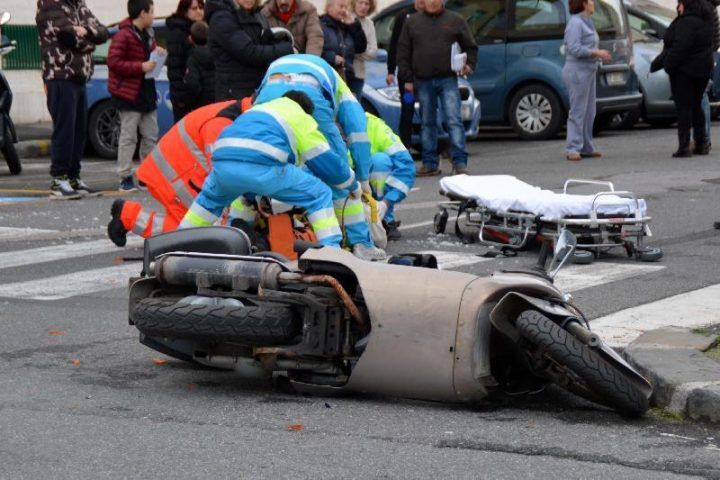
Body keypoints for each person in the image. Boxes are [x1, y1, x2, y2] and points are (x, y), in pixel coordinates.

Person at [179, 92, 354, 250]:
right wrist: (351, 184)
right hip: (264, 166)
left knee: (207, 203)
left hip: (223, 163)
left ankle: (176, 247)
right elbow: (324, 160)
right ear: (305, 110)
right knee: (319, 193)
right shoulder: (299, 115)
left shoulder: (258, 110)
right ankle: (331, 253)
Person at [254, 54, 387, 261]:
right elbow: (358, 135)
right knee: (340, 174)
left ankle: (245, 235)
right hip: (311, 97)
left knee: (259, 166)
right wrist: (361, 179)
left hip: (265, 99)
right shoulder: (342, 90)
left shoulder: (279, 64)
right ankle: (361, 244)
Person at [107, 100, 243, 246]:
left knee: (198, 231)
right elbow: (222, 176)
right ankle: (129, 216)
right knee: (206, 234)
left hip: (176, 171)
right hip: (175, 173)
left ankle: (129, 216)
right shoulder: (224, 121)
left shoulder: (239, 115)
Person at [36, 0, 109, 199]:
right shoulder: (51, 6)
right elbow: (69, 38)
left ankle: (73, 177)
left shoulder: (78, 5)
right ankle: (58, 180)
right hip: (60, 77)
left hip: (79, 77)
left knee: (79, 132)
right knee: (65, 131)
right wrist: (90, 40)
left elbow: (104, 32)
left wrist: (85, 31)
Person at [397, 0, 477, 177]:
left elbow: (471, 47)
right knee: (427, 123)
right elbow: (403, 52)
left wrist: (469, 65)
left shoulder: (456, 19)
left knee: (453, 120)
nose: (432, 2)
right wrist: (407, 79)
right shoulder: (412, 22)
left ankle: (459, 162)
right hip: (422, 80)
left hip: (448, 79)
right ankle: (429, 163)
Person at [108, 0, 165, 192]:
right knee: (128, 137)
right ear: (142, 13)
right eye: (152, 11)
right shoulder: (123, 35)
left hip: (147, 91)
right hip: (129, 94)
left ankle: (145, 176)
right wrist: (140, 66)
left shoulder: (149, 34)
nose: (153, 15)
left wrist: (157, 53)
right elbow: (114, 62)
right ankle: (125, 176)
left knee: (150, 135)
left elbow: (149, 58)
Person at [205, 0, 294, 101]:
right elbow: (249, 52)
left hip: (253, 88)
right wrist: (286, 49)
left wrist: (273, 38)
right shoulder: (221, 18)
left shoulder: (254, 14)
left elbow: (257, 42)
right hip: (234, 93)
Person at [660, 0, 714, 157]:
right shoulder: (706, 20)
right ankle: (701, 142)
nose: (678, 7)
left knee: (684, 108)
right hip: (703, 70)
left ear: (686, 5)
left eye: (680, 3)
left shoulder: (686, 22)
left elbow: (680, 47)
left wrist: (669, 66)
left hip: (685, 71)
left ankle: (684, 146)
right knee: (697, 106)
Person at [562, 0, 611, 161]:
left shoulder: (587, 22)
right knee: (577, 110)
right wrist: (596, 53)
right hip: (577, 72)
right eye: (590, 1)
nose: (593, 3)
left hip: (588, 71)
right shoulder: (575, 24)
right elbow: (574, 48)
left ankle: (586, 146)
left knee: (589, 111)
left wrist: (597, 55)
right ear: (583, 4)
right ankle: (572, 148)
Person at [366, 112, 415, 241]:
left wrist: (385, 203)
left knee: (380, 162)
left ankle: (385, 219)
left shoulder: (374, 126)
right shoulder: (326, 125)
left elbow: (406, 166)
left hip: (365, 183)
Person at [386, 0, 424, 149]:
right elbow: (394, 44)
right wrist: (390, 70)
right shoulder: (403, 16)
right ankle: (405, 146)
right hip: (406, 79)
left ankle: (429, 147)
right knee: (408, 108)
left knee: (427, 110)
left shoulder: (430, 15)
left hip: (424, 77)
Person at [166, 0, 205, 121]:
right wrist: (182, 99)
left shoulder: (204, 30)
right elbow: (175, 69)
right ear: (185, 11)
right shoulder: (178, 34)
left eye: (200, 7)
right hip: (185, 97)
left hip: (202, 93)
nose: (199, 11)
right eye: (194, 8)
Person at [320, 0, 367, 81]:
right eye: (341, 6)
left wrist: (353, 25)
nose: (344, 10)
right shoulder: (320, 26)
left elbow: (361, 47)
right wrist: (331, 57)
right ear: (329, 8)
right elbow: (313, 50)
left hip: (347, 77)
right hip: (328, 76)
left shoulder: (346, 26)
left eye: (346, 7)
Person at [696, 0, 719, 152]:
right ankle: (704, 138)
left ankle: (704, 138)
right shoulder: (709, 6)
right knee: (702, 93)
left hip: (702, 54)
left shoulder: (703, 7)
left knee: (701, 94)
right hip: (708, 53)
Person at [183, 21, 216, 108]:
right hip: (219, 100)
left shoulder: (193, 59)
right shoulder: (218, 53)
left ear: (191, 39)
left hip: (201, 104)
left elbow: (193, 84)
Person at [349, 0, 377, 99]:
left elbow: (373, 52)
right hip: (343, 72)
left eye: (367, 4)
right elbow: (346, 48)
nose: (364, 6)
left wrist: (355, 53)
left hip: (358, 74)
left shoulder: (369, 23)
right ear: (354, 4)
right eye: (360, 3)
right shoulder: (346, 18)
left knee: (356, 106)